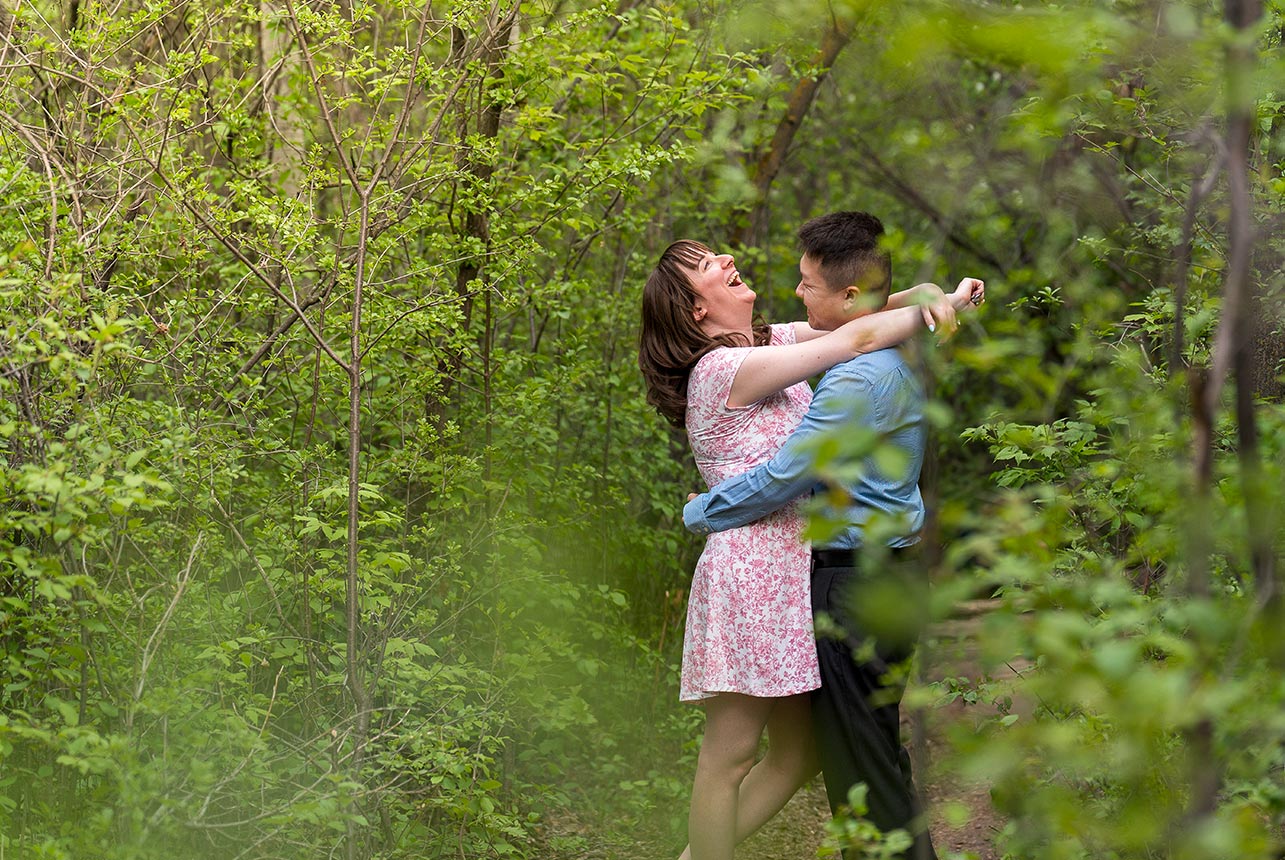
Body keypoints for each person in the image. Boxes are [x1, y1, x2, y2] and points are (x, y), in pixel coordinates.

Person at [638, 234, 977, 860]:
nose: (729, 261)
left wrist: (931, 296)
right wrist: (940, 303)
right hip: (750, 570)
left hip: (797, 571)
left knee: (800, 754)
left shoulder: (768, 343)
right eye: (710, 267)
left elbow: (851, 314)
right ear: (696, 310)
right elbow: (853, 340)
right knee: (730, 755)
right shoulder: (719, 369)